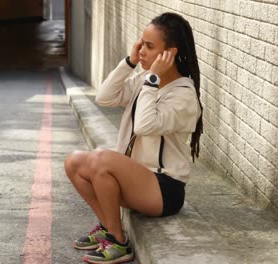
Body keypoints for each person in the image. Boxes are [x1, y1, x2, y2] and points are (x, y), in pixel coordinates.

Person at [64, 12, 203, 263]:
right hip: (138, 179)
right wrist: (129, 61)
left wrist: (152, 78)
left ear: (169, 53)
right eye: (141, 44)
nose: (142, 52)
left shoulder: (183, 95)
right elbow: (104, 97)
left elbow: (144, 125)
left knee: (102, 160)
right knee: (73, 161)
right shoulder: (144, 80)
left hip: (165, 190)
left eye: (149, 47)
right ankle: (108, 227)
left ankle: (119, 242)